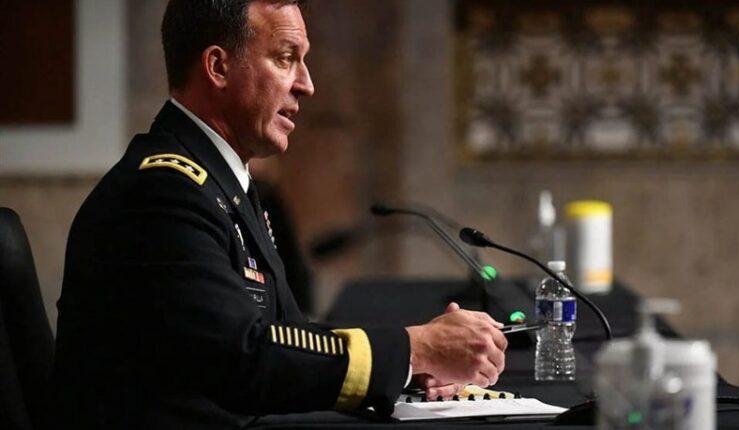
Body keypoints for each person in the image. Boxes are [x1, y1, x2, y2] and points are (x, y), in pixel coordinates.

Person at [52, 1, 508, 428]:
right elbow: (243, 356)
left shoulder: (222, 183)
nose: (306, 84)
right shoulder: (163, 192)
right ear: (218, 67)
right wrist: (412, 349)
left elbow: (286, 336)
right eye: (286, 58)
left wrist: (411, 367)